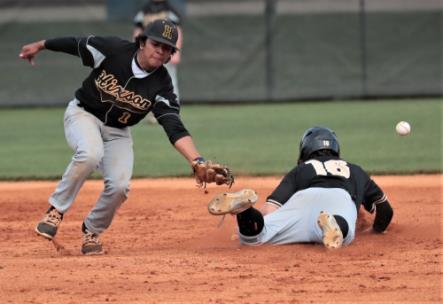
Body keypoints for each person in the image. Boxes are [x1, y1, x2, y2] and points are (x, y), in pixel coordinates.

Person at [19, 19, 229, 255]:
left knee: (119, 186)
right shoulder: (113, 50)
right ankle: (55, 210)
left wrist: (197, 160)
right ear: (142, 42)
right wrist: (40, 45)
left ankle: (92, 231)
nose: (160, 51)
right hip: (83, 114)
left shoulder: (162, 85)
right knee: (89, 153)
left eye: (167, 48)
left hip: (118, 131)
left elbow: (173, 126)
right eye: (156, 44)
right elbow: (75, 44)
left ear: (170, 55)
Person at [208, 126, 394, 249]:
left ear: (305, 150)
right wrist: (376, 230)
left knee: (256, 238)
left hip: (303, 200)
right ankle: (334, 224)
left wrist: (253, 220)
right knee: (344, 233)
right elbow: (385, 211)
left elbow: (270, 210)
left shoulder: (302, 170)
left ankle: (245, 211)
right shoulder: (355, 170)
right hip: (340, 198)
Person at [133, 0, 183, 99]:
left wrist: (176, 52)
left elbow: (177, 30)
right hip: (148, 51)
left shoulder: (170, 10)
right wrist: (135, 47)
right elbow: (138, 30)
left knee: (169, 78)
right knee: (144, 78)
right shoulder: (144, 11)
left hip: (166, 50)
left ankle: (172, 106)